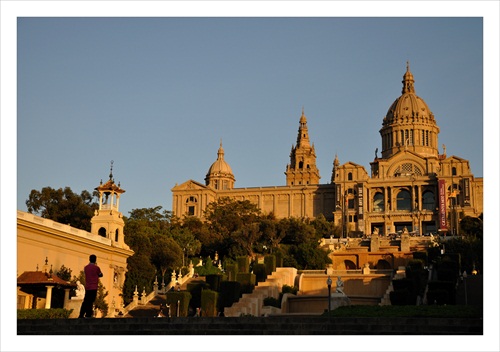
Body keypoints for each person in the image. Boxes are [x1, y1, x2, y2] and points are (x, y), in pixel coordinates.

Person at [78, 254, 103, 318]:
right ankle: (88, 314)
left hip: (88, 286)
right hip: (94, 287)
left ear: (89, 259)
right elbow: (100, 274)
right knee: (91, 301)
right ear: (95, 260)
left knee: (86, 300)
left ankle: (81, 314)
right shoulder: (96, 268)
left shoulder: (86, 268)